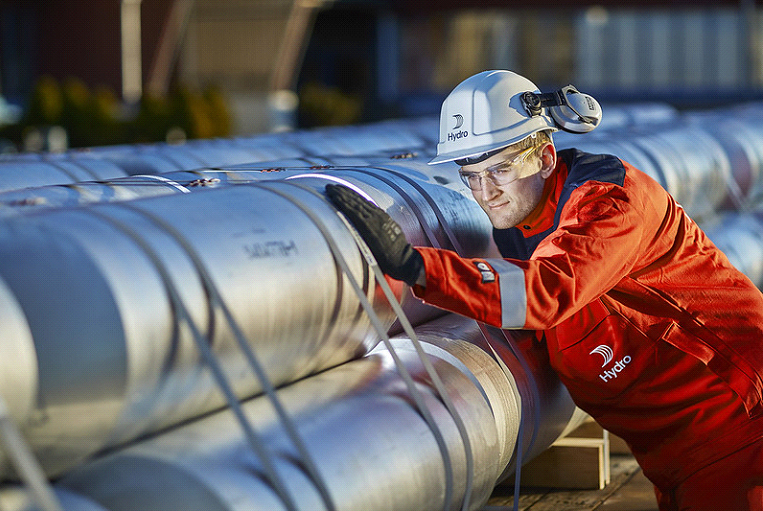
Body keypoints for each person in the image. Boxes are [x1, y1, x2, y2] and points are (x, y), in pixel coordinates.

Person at [326, 70, 763, 511]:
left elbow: (546, 292)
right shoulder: (525, 230)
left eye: (499, 168)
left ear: (546, 157)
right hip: (684, 454)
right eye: (471, 175)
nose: (486, 192)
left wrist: (417, 266)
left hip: (742, 427)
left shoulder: (608, 204)